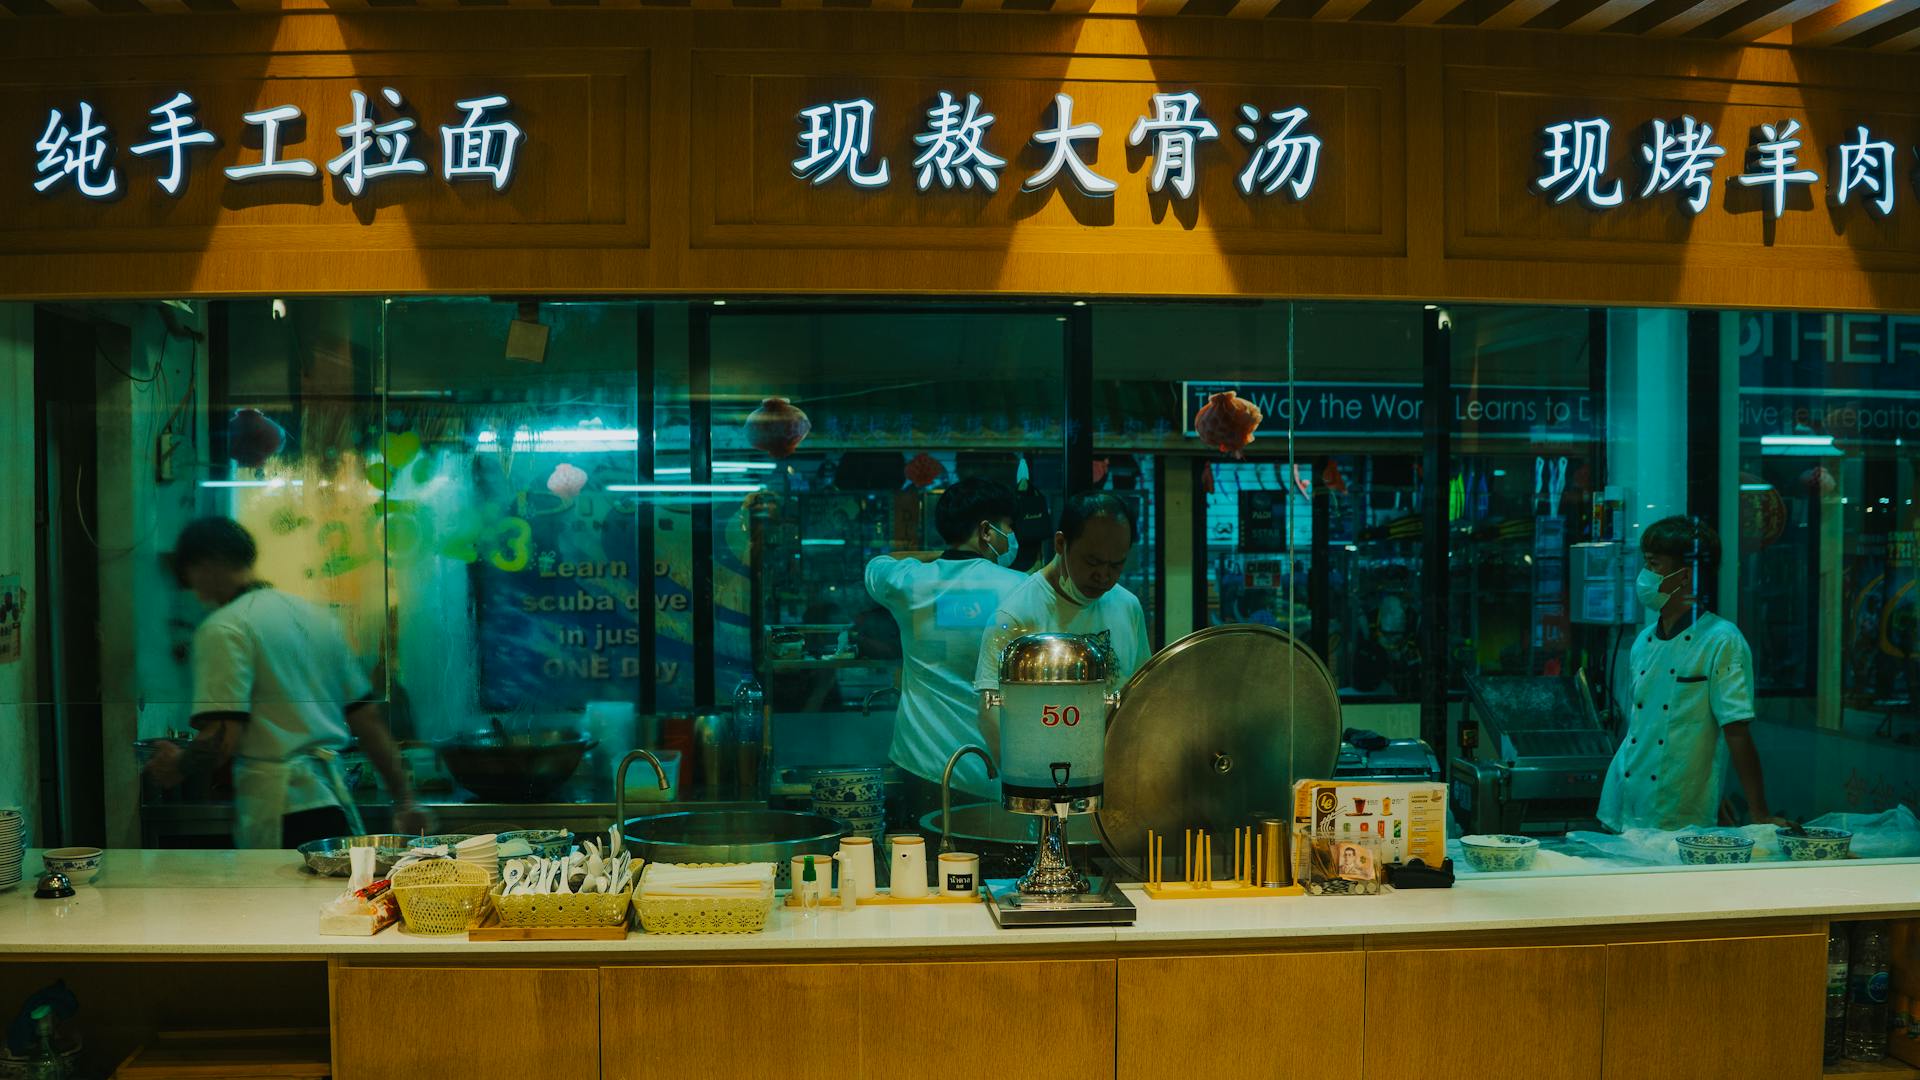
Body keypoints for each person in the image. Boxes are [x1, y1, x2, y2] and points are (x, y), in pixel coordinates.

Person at [144, 517, 428, 848]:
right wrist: (406, 800)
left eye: (189, 573)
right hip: (332, 806)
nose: (192, 588)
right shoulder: (318, 619)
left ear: (207, 565)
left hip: (281, 814)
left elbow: (224, 736)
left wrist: (178, 764)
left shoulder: (224, 627)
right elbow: (367, 721)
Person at [1598, 516, 1774, 833]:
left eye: (1653, 565)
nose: (1644, 575)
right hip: (1625, 796)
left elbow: (1736, 732)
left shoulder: (1722, 640)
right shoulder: (1643, 641)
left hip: (1675, 810)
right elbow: (1641, 726)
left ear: (1686, 576)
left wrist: (1760, 812)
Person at [865, 478, 1026, 817]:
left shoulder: (910, 582)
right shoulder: (1020, 589)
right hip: (994, 765)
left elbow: (876, 566)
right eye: (1008, 527)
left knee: (924, 863)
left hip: (920, 762)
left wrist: (934, 558)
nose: (1012, 538)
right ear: (986, 531)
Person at [973, 491, 1151, 753]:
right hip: (1043, 777)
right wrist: (1029, 780)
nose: (1103, 575)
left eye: (1116, 565)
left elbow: (1141, 695)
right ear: (1060, 544)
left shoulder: (1127, 606)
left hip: (1113, 775)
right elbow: (990, 714)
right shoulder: (1014, 616)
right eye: (1092, 561)